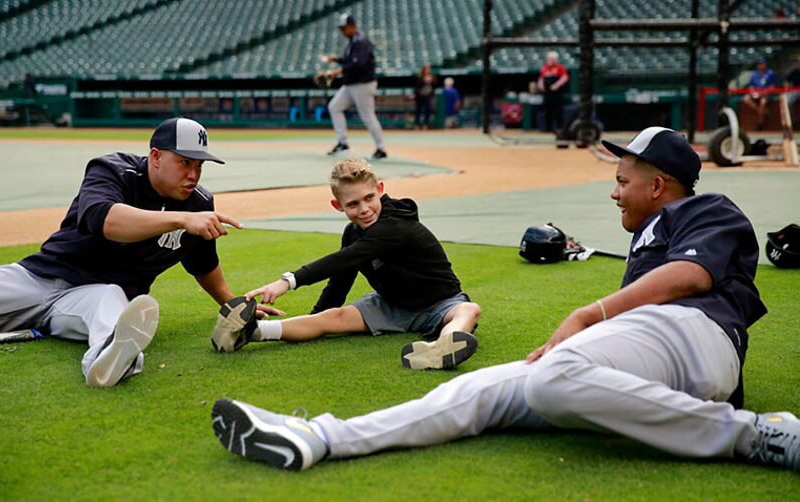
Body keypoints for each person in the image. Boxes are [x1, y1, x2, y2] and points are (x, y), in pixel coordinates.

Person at [210, 127, 800, 474]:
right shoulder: (646, 231)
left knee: (550, 377)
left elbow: (692, 276)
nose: (614, 191)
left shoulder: (704, 207)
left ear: (659, 185)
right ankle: (321, 438)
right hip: (650, 357)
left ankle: (752, 435)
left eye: (623, 180)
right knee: (478, 390)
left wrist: (587, 316)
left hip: (696, 335)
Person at [0, 118, 276, 388]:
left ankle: (111, 361)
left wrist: (233, 305)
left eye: (199, 165)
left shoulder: (197, 204)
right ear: (155, 156)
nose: (193, 174)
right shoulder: (113, 170)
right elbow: (107, 221)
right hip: (41, 279)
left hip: (96, 298)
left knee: (113, 312)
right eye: (185, 162)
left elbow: (203, 264)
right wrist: (181, 219)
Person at [213, 156, 481, 370]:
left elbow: (343, 259)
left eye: (369, 198)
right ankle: (252, 332)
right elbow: (340, 278)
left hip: (441, 303)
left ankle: (445, 346)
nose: (364, 209)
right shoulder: (353, 233)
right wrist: (317, 317)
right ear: (337, 205)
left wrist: (288, 281)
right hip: (391, 304)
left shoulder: (396, 226)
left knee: (469, 309)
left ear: (380, 190)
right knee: (332, 317)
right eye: (352, 204)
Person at [323, 13, 387, 160]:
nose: (342, 31)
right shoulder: (353, 41)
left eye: (344, 28)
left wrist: (337, 72)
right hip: (351, 84)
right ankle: (343, 143)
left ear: (352, 26)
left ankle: (381, 149)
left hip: (363, 84)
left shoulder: (361, 41)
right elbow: (349, 60)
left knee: (368, 117)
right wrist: (336, 59)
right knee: (334, 107)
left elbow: (358, 64)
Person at [537, 51, 569, 137]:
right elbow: (541, 78)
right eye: (549, 58)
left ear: (555, 59)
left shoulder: (560, 67)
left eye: (551, 58)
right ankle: (548, 129)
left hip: (557, 94)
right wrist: (541, 85)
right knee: (547, 112)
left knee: (558, 112)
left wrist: (556, 85)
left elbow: (565, 77)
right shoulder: (545, 68)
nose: (549, 60)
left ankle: (559, 129)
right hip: (547, 94)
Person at [741, 57, 778, 130]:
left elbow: (773, 87)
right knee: (745, 99)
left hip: (767, 94)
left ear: (765, 64)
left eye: (763, 64)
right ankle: (765, 112)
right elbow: (751, 86)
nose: (761, 65)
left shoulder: (770, 73)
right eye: (760, 64)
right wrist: (753, 92)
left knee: (762, 102)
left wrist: (764, 92)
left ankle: (760, 124)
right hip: (756, 93)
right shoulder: (754, 74)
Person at [414, 64, 436, 129]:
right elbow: (417, 87)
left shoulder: (431, 77)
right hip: (420, 96)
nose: (428, 70)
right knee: (418, 110)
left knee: (427, 110)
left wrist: (431, 80)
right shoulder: (420, 77)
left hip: (427, 96)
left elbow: (434, 86)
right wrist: (424, 81)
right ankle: (417, 124)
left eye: (429, 68)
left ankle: (425, 124)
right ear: (423, 69)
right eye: (426, 69)